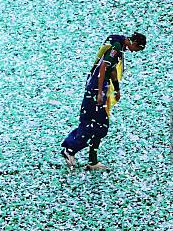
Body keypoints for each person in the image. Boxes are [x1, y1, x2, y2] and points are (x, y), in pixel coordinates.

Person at [61, 32, 146, 170]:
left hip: (101, 90)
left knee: (100, 126)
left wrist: (117, 89)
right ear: (135, 43)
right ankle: (70, 149)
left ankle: (92, 161)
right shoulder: (117, 47)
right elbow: (103, 68)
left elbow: (111, 70)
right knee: (93, 124)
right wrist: (99, 93)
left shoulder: (118, 46)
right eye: (137, 49)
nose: (135, 51)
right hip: (96, 90)